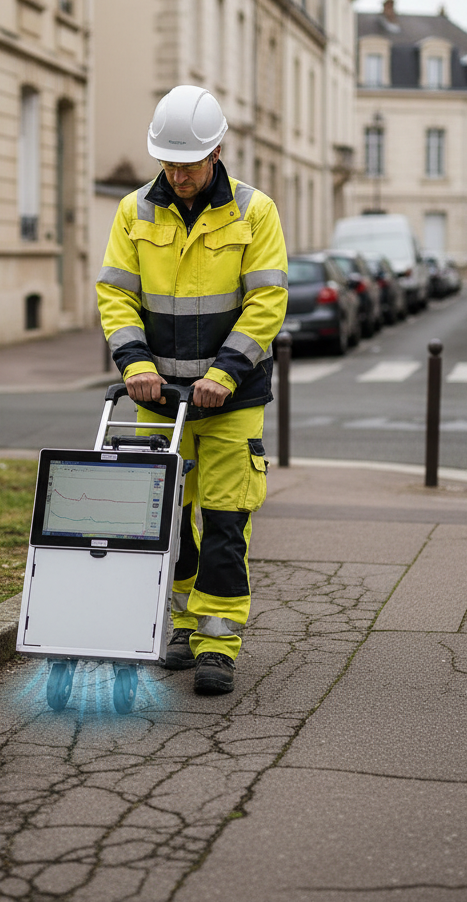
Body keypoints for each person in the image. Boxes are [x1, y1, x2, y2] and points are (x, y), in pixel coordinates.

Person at [97, 85, 288, 695]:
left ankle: (218, 643)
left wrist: (225, 373)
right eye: (168, 163)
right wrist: (134, 366)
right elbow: (117, 294)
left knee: (227, 522)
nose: (177, 175)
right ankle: (183, 625)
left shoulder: (254, 212)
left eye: (188, 163)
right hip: (158, 400)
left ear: (216, 151)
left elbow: (266, 300)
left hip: (231, 401)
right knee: (168, 521)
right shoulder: (134, 211)